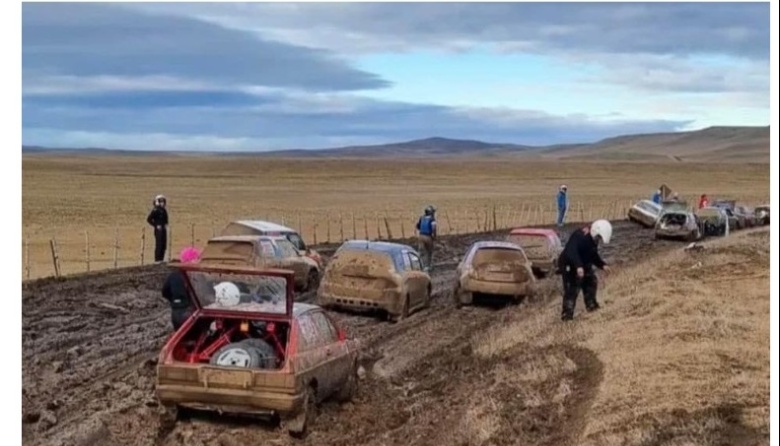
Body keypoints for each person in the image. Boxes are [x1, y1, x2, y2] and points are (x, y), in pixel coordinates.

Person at [558, 219, 612, 321]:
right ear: (596, 231)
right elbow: (571, 250)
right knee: (572, 289)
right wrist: (578, 266)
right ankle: (567, 316)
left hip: (582, 265)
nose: (598, 240)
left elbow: (593, 255)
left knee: (591, 281)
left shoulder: (592, 241)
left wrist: (602, 265)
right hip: (569, 264)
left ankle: (591, 305)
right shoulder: (579, 236)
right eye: (598, 237)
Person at [161, 247, 200, 330]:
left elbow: (165, 291)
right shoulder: (196, 276)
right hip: (191, 313)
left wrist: (175, 299)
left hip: (176, 312)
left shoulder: (173, 276)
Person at [147, 195, 169, 263]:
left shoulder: (164, 210)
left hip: (163, 229)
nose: (163, 203)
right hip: (158, 230)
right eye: (161, 201)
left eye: (163, 202)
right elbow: (149, 219)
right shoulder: (155, 210)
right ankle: (157, 260)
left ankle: (161, 259)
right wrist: (156, 225)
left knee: (163, 245)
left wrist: (165, 224)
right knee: (159, 245)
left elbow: (165, 219)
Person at [415, 205, 437, 272]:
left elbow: (417, 226)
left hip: (421, 236)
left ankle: (419, 265)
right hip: (428, 236)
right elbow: (433, 228)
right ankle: (427, 266)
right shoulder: (432, 219)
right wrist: (434, 236)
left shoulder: (421, 218)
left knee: (421, 252)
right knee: (429, 252)